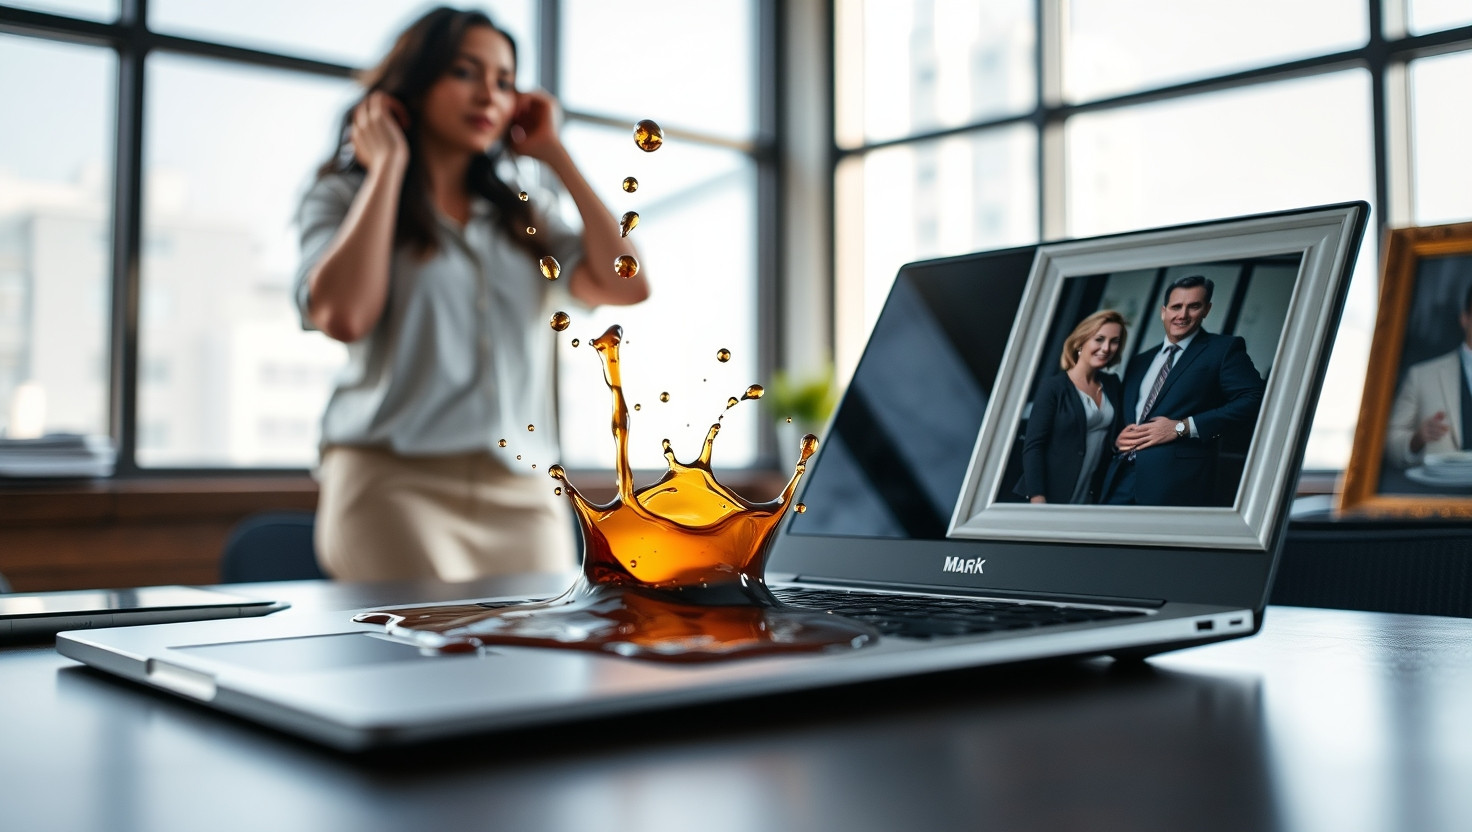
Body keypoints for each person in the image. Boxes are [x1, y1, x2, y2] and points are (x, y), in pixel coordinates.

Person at [292, 7, 650, 581]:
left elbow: (626, 283)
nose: (489, 94)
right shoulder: (342, 197)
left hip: (524, 496)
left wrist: (554, 152)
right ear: (416, 83)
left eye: (505, 81)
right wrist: (387, 168)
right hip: (391, 486)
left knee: (548, 639)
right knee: (423, 639)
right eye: (464, 72)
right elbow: (344, 316)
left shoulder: (525, 216)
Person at [1101, 275, 1264, 506]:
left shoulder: (1224, 350)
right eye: (1176, 307)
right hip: (1119, 479)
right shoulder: (1140, 361)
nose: (1183, 315)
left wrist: (1182, 427)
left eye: (1193, 306)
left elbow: (1254, 399)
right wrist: (1117, 440)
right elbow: (1126, 415)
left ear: (1206, 310)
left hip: (1175, 484)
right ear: (1164, 311)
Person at [1015, 310, 1127, 504]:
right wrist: (1037, 496)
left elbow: (1111, 438)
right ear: (1081, 341)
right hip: (1050, 493)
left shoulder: (1112, 384)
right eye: (1099, 339)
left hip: (1091, 493)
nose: (1106, 348)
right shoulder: (1053, 387)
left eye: (1114, 341)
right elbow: (1033, 446)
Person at [1384, 284, 1472, 469]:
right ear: (1465, 319)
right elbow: (1389, 441)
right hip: (1438, 484)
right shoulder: (1421, 376)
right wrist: (1417, 439)